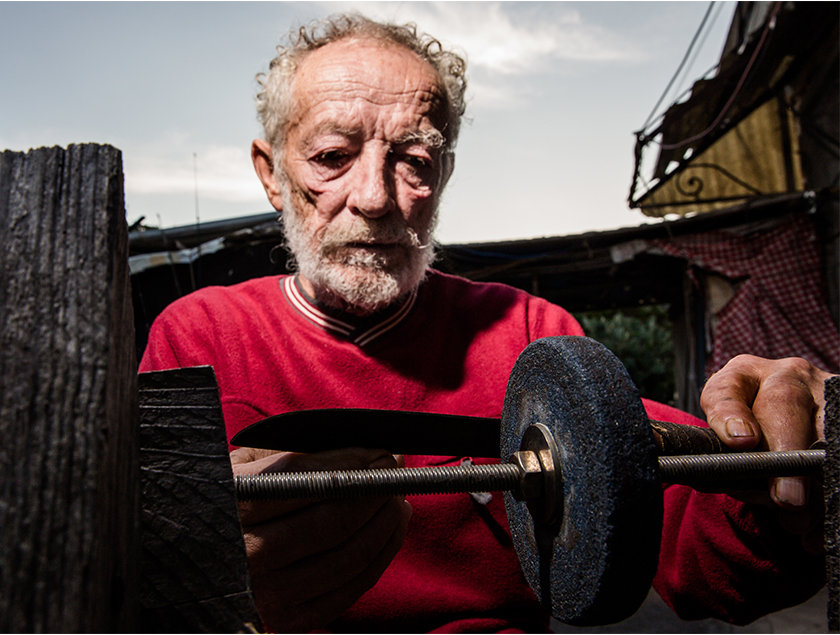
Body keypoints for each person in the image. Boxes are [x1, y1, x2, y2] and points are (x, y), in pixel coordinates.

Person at [139, 14, 835, 633]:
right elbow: (143, 564)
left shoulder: (531, 332)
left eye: (413, 160)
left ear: (442, 175)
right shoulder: (197, 335)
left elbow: (691, 540)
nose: (375, 197)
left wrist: (790, 479)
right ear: (271, 173)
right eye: (331, 157)